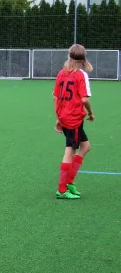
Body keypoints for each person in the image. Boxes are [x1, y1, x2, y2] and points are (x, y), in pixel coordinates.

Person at [53, 44, 94, 200]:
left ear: (69, 56)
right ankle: (62, 189)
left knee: (85, 146)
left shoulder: (62, 73)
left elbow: (56, 97)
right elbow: (84, 99)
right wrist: (90, 112)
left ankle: (69, 182)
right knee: (70, 150)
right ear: (83, 58)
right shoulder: (80, 75)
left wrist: (58, 117)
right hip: (74, 118)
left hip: (65, 116)